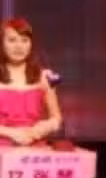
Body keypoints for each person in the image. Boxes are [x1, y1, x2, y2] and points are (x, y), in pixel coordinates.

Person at [0, 17, 62, 146]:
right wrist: (12, 133)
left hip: (34, 147)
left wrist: (44, 128)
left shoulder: (44, 76)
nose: (19, 46)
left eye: (24, 40)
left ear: (31, 44)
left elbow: (57, 118)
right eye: (12, 40)